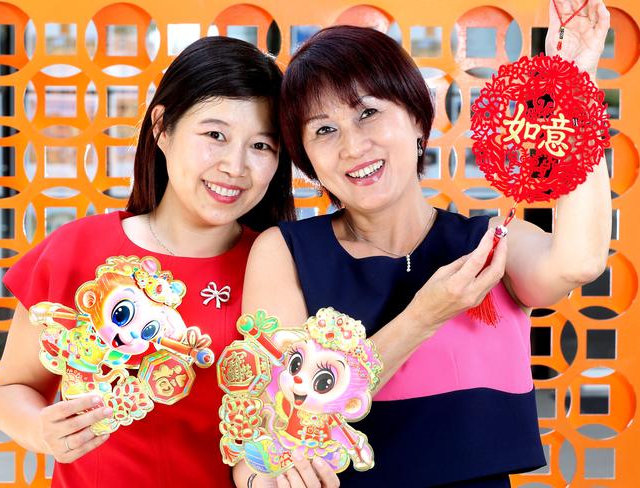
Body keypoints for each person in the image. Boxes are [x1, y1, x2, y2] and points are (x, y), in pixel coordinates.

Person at [239, 1, 611, 486]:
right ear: (307, 160)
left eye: (368, 113)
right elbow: (284, 419)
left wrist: (573, 84)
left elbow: (578, 261)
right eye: (324, 130)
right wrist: (425, 315)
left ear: (418, 118)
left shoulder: (487, 245)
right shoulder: (284, 252)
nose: (353, 147)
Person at [0, 36, 315, 487]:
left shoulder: (278, 268)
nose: (236, 166)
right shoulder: (78, 249)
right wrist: (42, 431)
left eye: (261, 146)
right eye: (215, 135)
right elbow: (10, 389)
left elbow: (277, 427)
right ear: (162, 127)